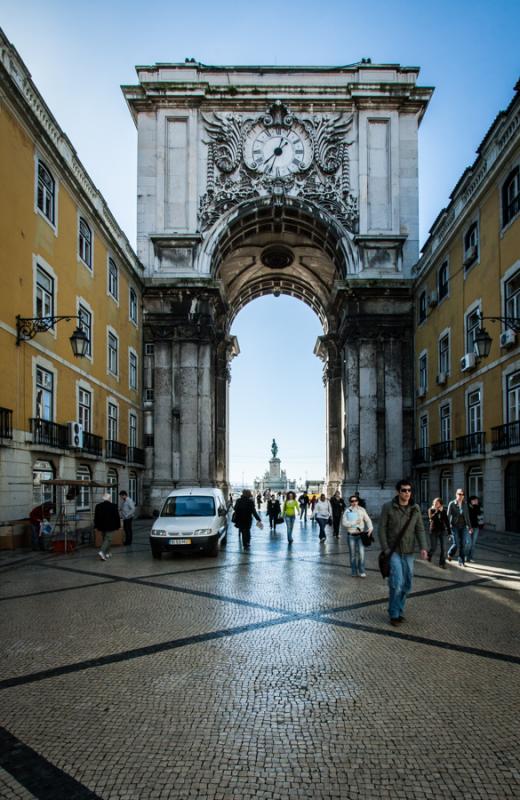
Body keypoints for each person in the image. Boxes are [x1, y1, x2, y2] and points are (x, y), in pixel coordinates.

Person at [378, 479, 428, 626]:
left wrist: (423, 548)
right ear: (398, 492)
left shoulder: (415, 509)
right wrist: (386, 548)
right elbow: (381, 528)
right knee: (397, 582)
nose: (407, 493)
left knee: (407, 585)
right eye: (404, 490)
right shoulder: (388, 507)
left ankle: (399, 609)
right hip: (393, 551)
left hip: (409, 552)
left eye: (409, 490)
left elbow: (419, 529)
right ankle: (394, 614)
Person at [342, 495, 373, 577]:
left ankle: (362, 570)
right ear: (350, 502)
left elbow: (368, 520)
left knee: (361, 554)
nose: (354, 502)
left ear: (358, 501)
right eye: (352, 501)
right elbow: (344, 523)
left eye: (355, 500)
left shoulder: (362, 510)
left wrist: (370, 527)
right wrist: (354, 522)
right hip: (351, 535)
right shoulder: (347, 511)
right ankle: (353, 571)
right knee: (352, 555)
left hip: (360, 535)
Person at [447, 489, 473, 566]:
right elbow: (447, 516)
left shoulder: (465, 504)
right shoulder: (451, 504)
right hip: (454, 526)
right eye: (459, 494)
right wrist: (448, 527)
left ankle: (461, 561)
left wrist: (470, 527)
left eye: (462, 494)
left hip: (464, 526)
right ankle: (450, 553)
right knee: (456, 544)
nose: (460, 496)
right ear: (456, 494)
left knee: (463, 544)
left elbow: (467, 516)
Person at [94, 492, 120, 561]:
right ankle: (102, 551)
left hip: (101, 526)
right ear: (109, 498)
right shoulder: (113, 506)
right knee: (108, 539)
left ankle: (108, 552)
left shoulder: (98, 506)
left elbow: (96, 517)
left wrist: (96, 526)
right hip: (110, 526)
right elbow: (117, 517)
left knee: (105, 539)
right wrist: (118, 526)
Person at [428, 498, 449, 568]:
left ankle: (442, 563)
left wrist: (449, 531)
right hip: (433, 531)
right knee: (434, 547)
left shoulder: (443, 511)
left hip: (442, 531)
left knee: (443, 548)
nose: (436, 504)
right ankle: (429, 555)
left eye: (437, 503)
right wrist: (437, 511)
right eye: (435, 503)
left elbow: (446, 521)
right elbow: (431, 518)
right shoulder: (431, 510)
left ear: (440, 504)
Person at [467, 495, 484, 562]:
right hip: (469, 527)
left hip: (476, 527)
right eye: (475, 500)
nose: (476, 501)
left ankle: (470, 557)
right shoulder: (467, 507)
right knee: (468, 543)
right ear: (471, 501)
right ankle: (465, 556)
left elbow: (480, 514)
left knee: (473, 543)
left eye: (477, 500)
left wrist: (476, 506)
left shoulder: (478, 506)